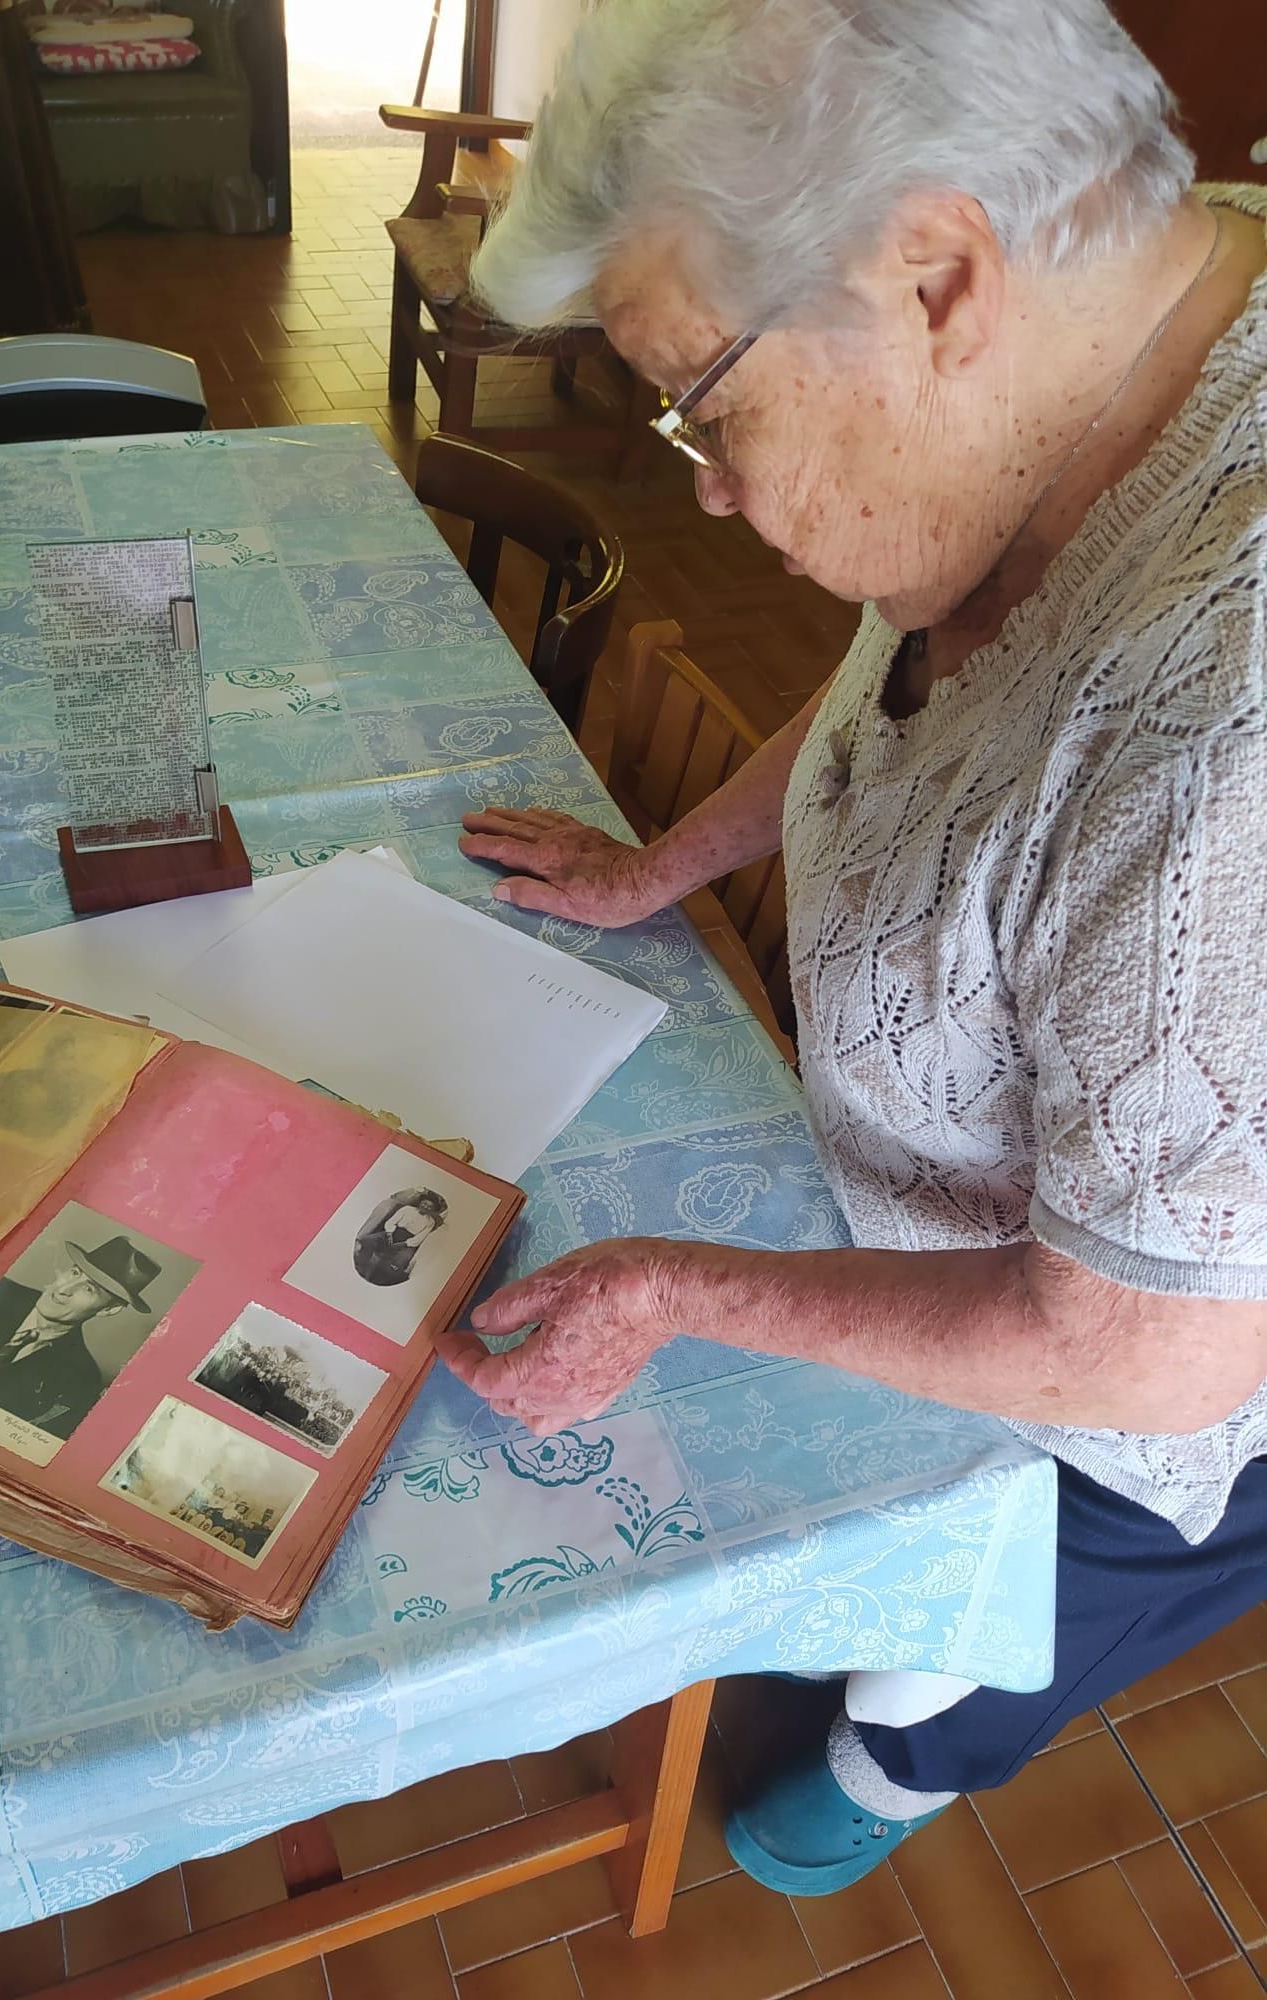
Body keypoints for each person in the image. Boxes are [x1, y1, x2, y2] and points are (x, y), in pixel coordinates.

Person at [435, 0, 1267, 1899]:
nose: (710, 487)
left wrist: (681, 1295)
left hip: (1137, 1413)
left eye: (707, 405)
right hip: (956, 1246)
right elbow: (897, 678)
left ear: (936, 275)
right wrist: (669, 865)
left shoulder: (1225, 730)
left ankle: (889, 1782)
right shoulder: (1095, 366)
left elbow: (1140, 1363)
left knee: (914, 1703)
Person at [0, 1233, 160, 1440]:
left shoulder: (79, 1380)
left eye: (89, 1289)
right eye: (75, 1272)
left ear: (109, 1309)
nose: (64, 1289)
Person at [353, 1188, 448, 1287]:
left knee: (402, 1259)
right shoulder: (407, 1209)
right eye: (424, 1203)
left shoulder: (430, 1221)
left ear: (432, 1210)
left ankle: (380, 1278)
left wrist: (404, 1244)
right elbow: (392, 1221)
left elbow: (420, 1238)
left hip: (408, 1242)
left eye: (429, 1207)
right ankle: (362, 1265)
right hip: (392, 1233)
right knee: (368, 1240)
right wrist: (389, 1233)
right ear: (420, 1202)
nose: (425, 1207)